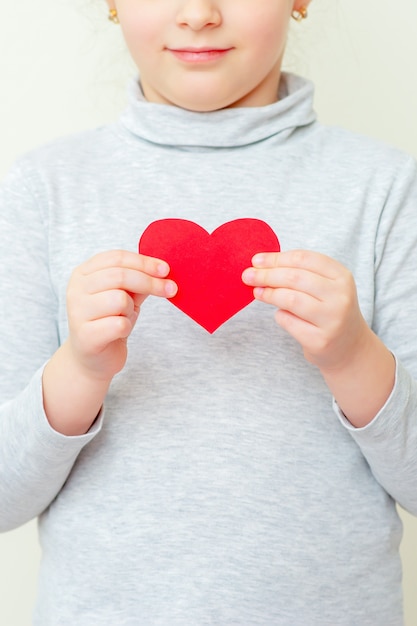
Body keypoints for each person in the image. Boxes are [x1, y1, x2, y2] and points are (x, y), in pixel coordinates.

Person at [1, 0, 416, 623]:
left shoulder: (386, 189)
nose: (197, 14)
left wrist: (354, 355)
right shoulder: (41, 191)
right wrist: (78, 371)